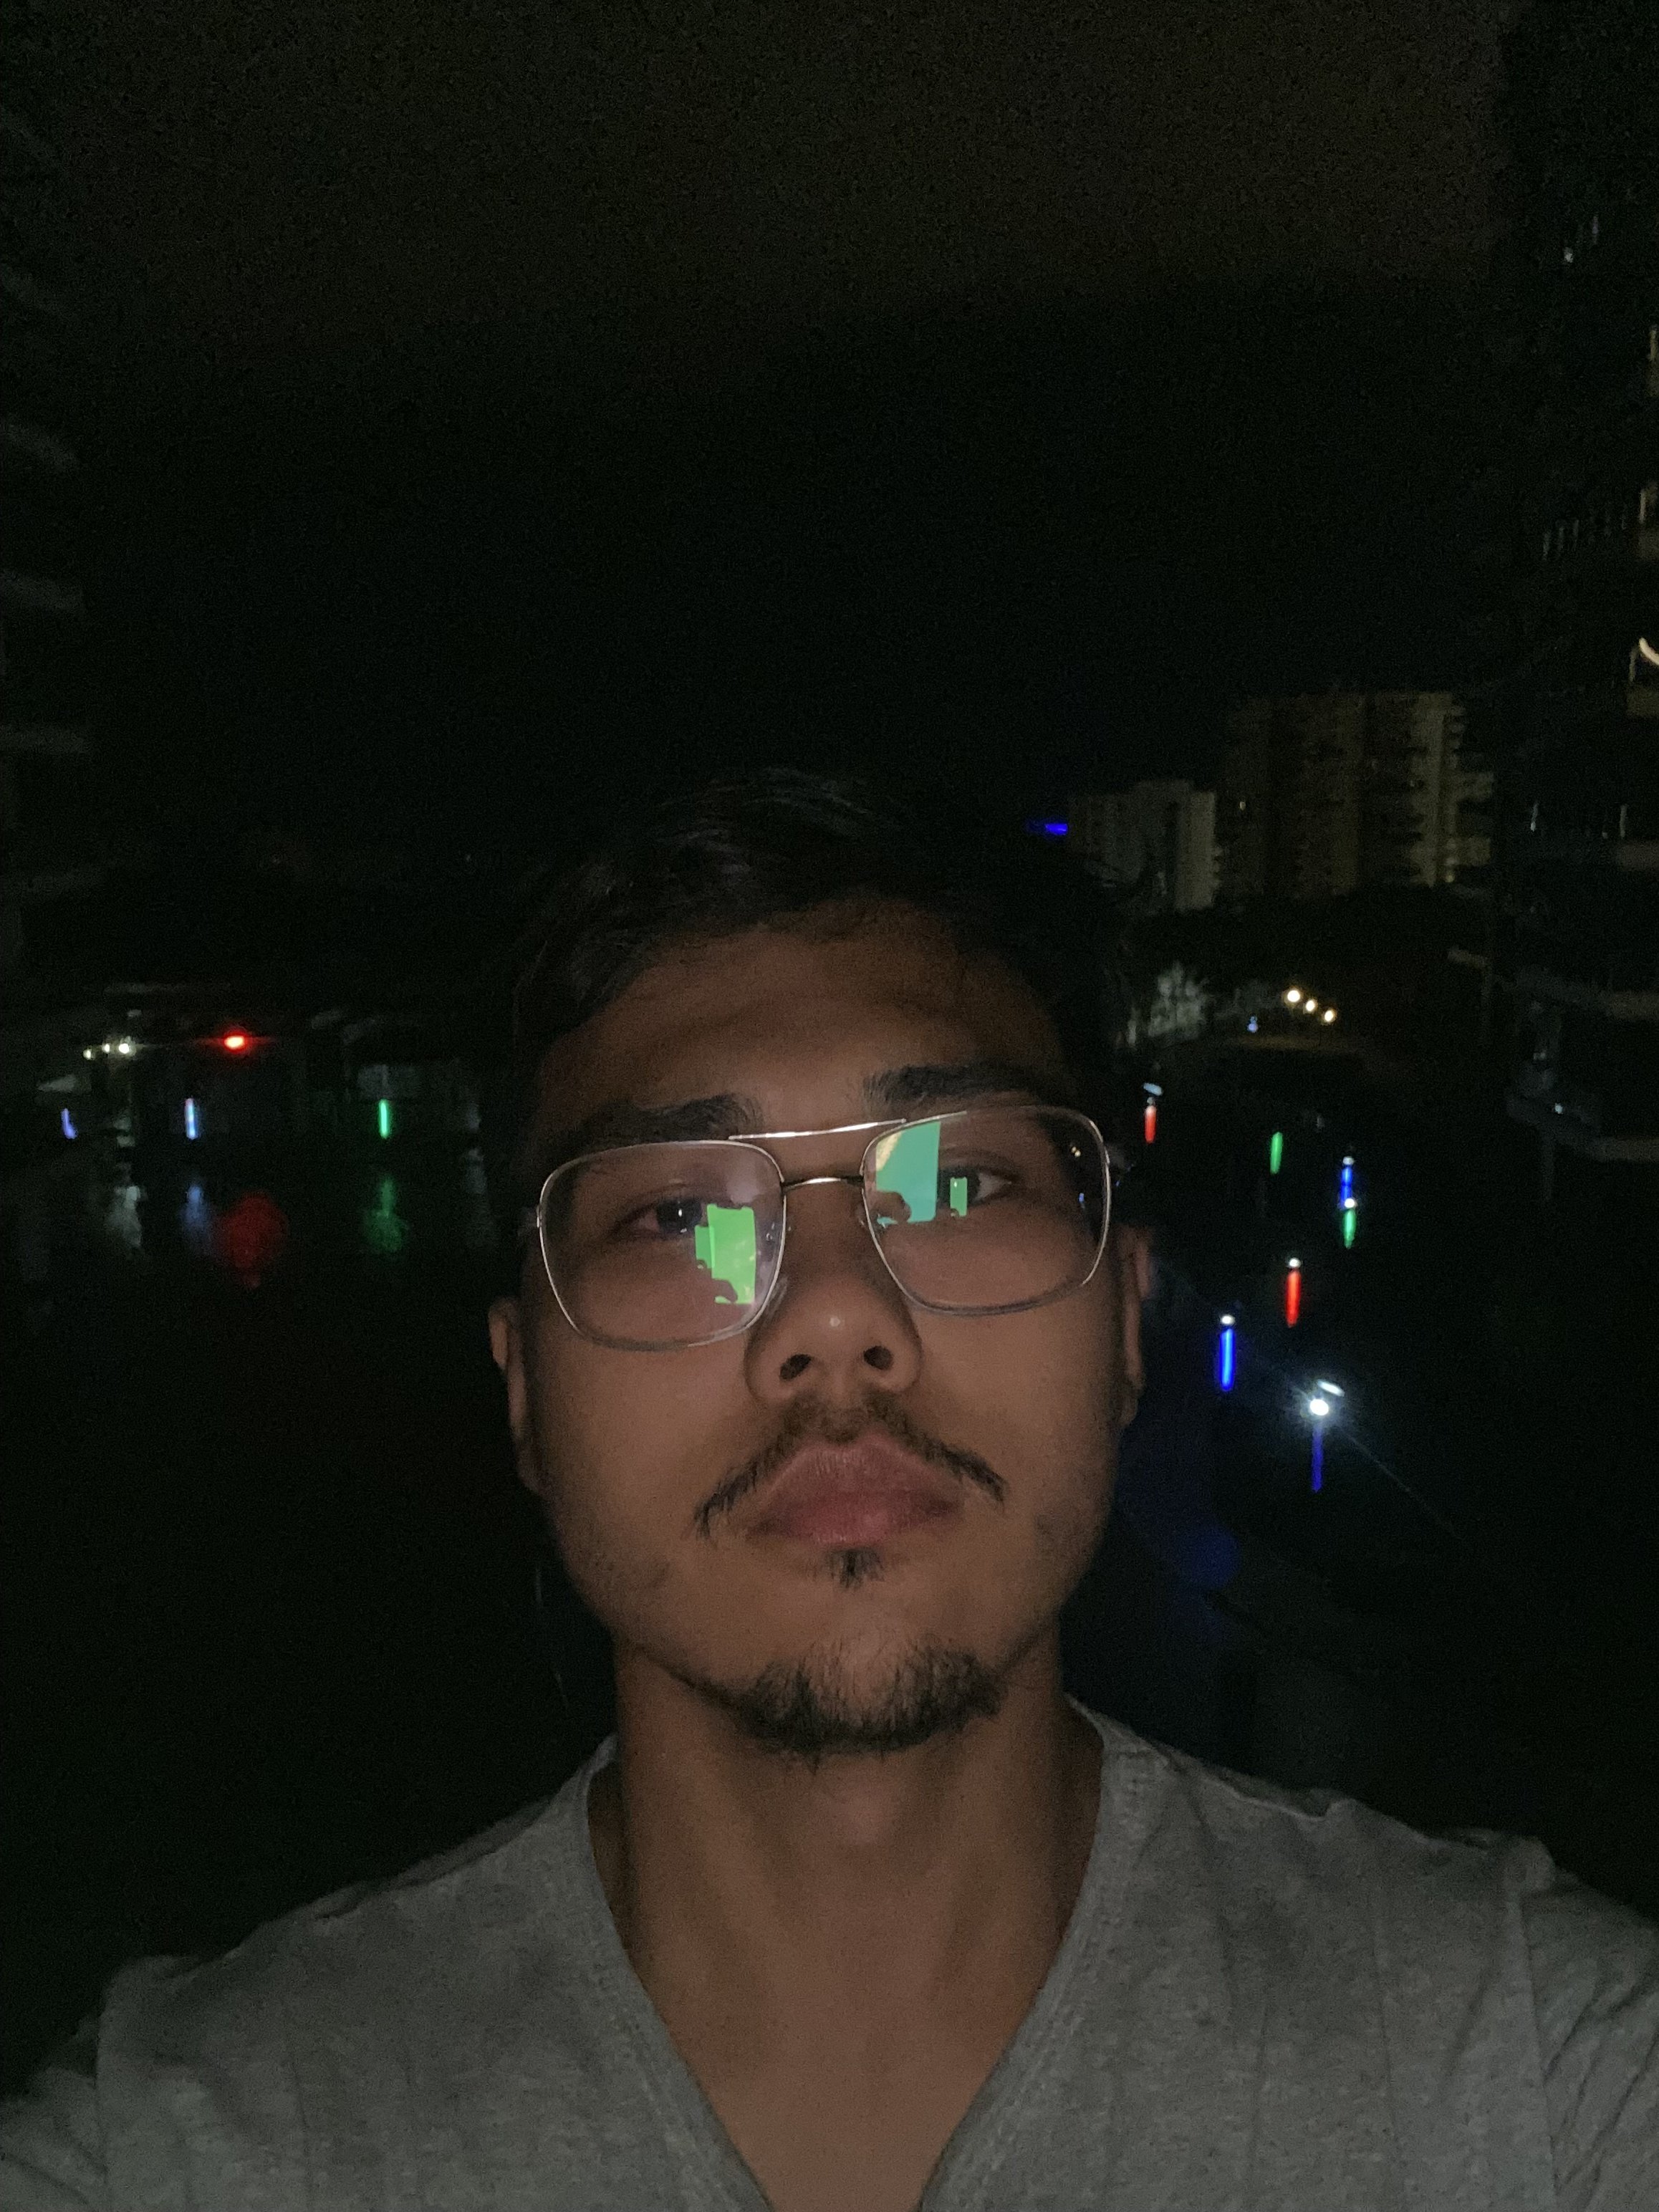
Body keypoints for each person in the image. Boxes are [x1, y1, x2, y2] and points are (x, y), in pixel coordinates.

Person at [3, 769, 1654, 2211]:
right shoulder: (188, 2148)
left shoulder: (1534, 2073)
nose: (837, 1310)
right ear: (523, 1391)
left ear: (1124, 1323)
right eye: (677, 1213)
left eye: (957, 1181)